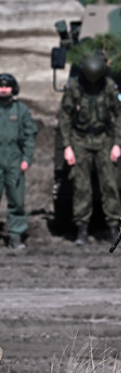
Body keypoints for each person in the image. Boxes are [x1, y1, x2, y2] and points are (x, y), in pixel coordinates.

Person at [58, 53, 121, 246]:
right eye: (90, 77)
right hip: (80, 139)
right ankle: (82, 229)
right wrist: (67, 146)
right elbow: (64, 116)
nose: (93, 81)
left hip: (104, 139)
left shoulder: (109, 86)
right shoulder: (74, 87)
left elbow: (119, 115)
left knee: (110, 185)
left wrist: (117, 144)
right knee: (81, 186)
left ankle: (113, 228)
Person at [0, 73, 37, 249]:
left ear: (13, 88)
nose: (3, 89)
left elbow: (30, 136)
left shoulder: (21, 110)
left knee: (16, 201)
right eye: (1, 86)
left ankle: (15, 236)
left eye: (7, 86)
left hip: (14, 161)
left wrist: (26, 159)